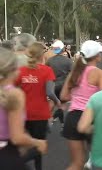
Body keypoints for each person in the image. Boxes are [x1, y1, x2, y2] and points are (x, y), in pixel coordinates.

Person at [60, 40, 102, 170]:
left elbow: (63, 97)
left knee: (77, 164)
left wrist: (78, 96)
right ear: (97, 56)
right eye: (100, 53)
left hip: (72, 118)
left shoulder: (75, 72)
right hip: (91, 119)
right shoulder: (101, 74)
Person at [15, 42, 60, 170]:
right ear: (42, 55)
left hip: (22, 113)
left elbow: (13, 88)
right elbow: (50, 92)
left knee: (22, 145)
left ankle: (18, 164)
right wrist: (57, 101)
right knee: (39, 145)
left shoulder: (21, 71)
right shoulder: (47, 70)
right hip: (40, 113)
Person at [0, 49, 47, 170]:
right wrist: (37, 142)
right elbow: (17, 138)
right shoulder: (13, 94)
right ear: (14, 70)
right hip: (6, 154)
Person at [46, 40, 73, 130]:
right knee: (63, 104)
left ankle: (48, 119)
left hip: (53, 85)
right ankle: (58, 118)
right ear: (63, 49)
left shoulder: (50, 61)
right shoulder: (68, 61)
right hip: (64, 85)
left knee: (53, 102)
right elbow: (72, 73)